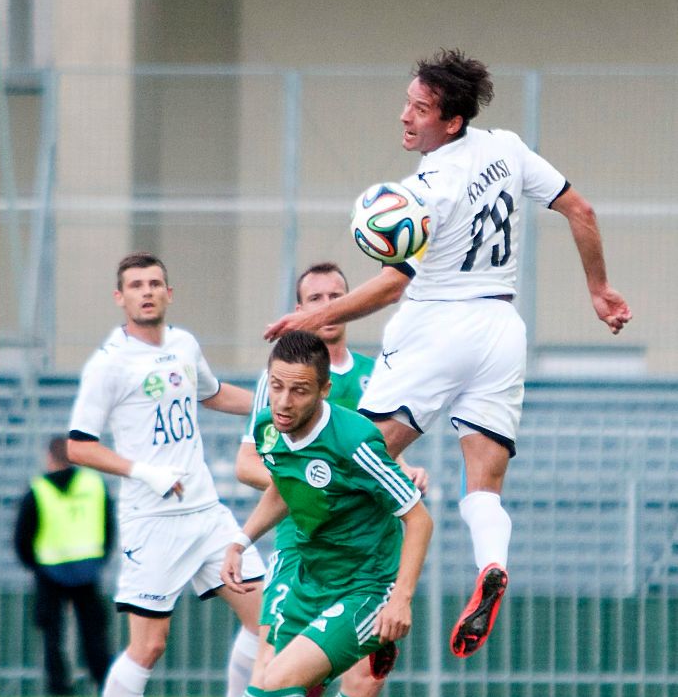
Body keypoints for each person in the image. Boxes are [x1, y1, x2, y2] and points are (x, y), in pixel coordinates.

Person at [265, 48, 632, 657]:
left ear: (452, 122)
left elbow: (393, 284)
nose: (406, 115)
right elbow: (580, 210)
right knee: (482, 487)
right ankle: (490, 565)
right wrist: (599, 289)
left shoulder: (424, 190)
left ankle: (361, 598)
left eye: (421, 109)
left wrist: (316, 314)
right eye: (408, 101)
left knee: (354, 458)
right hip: (501, 328)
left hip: (436, 326)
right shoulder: (508, 148)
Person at [207, 262, 419, 697]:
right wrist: (252, 530)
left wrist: (399, 475)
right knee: (274, 674)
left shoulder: (377, 377)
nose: (325, 304)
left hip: (362, 563)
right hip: (303, 551)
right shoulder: (280, 385)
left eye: (335, 295)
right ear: (300, 309)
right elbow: (264, 466)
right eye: (313, 297)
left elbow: (379, 468)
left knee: (356, 682)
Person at [67, 251, 265, 697]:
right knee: (148, 647)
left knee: (269, 620)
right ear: (120, 298)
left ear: (169, 293)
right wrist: (143, 471)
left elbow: (211, 394)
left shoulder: (183, 344)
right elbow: (79, 443)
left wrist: (271, 402)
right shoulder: (109, 364)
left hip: (206, 513)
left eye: (155, 283)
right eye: (135, 285)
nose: (146, 292)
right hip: (151, 522)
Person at [14, 435, 114, 696]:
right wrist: (100, 558)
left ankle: (58, 688)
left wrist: (34, 565)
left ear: (49, 457)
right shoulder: (93, 484)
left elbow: (22, 535)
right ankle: (104, 683)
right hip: (88, 567)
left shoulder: (38, 489)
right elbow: (109, 526)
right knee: (94, 632)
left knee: (52, 633)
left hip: (49, 568)